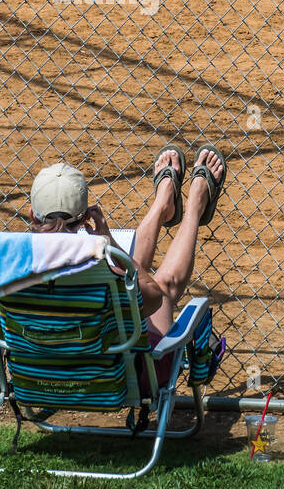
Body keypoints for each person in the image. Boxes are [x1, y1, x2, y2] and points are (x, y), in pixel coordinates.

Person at [26, 146, 227, 353]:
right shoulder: (99, 275)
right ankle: (195, 205)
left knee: (128, 290)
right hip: (117, 378)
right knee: (160, 287)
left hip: (33, 380)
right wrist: (109, 242)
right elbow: (154, 298)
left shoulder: (5, 271)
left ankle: (163, 205)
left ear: (32, 214)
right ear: (86, 217)